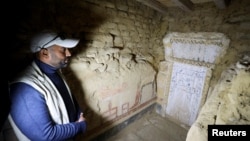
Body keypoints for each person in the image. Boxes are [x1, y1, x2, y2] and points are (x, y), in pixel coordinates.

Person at [8, 31, 87, 141]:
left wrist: (78, 113)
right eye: (63, 49)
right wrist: (79, 126)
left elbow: (67, 96)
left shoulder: (55, 71)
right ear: (45, 53)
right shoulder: (24, 88)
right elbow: (45, 136)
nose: (69, 53)